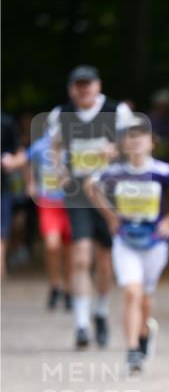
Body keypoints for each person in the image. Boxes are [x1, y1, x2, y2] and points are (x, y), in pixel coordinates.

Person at [86, 115, 169, 374]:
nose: (136, 142)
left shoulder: (161, 171)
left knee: (146, 297)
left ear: (152, 143)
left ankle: (144, 333)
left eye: (141, 137)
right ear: (124, 144)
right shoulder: (116, 172)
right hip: (125, 241)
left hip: (154, 242)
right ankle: (131, 351)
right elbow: (91, 185)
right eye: (131, 137)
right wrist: (110, 217)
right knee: (131, 291)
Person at [47, 66, 134, 348]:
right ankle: (81, 323)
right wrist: (60, 172)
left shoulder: (117, 111)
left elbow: (136, 144)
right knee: (81, 257)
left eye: (88, 84)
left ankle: (100, 310)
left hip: (111, 193)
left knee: (104, 260)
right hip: (79, 194)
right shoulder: (60, 115)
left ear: (98, 85)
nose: (83, 90)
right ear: (71, 88)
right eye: (78, 85)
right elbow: (56, 147)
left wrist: (117, 150)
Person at [25, 117, 72, 309]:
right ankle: (55, 284)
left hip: (70, 205)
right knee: (52, 245)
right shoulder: (39, 147)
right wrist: (31, 183)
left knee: (69, 251)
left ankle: (69, 289)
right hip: (48, 203)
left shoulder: (73, 147)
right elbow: (26, 161)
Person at [1, 112, 25, 276]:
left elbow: (19, 154)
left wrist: (10, 161)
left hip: (3, 188)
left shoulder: (6, 122)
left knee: (1, 234)